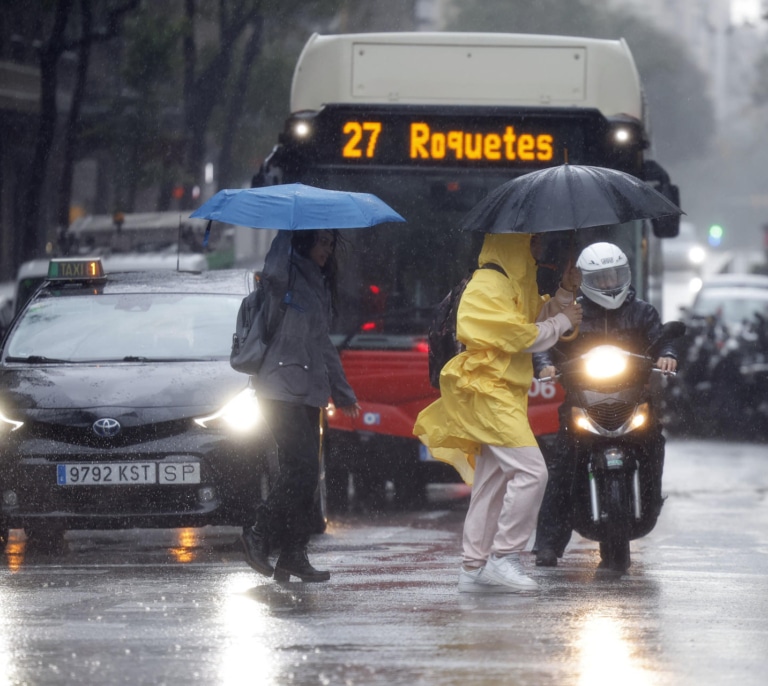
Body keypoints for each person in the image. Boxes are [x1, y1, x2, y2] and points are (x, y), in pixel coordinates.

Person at [414, 232, 583, 594]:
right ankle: (504, 556)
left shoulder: (513, 281)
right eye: (533, 241)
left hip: (502, 391)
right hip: (487, 392)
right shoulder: (486, 285)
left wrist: (565, 294)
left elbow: (537, 317)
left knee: (492, 483)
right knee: (532, 472)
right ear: (515, 243)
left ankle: (474, 567)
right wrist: (561, 321)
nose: (540, 248)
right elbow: (520, 336)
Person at [533, 241, 678, 568]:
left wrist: (667, 354)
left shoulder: (643, 311)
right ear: (586, 279)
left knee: (654, 443)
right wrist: (544, 363)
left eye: (615, 275)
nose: (609, 282)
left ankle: (650, 501)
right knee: (563, 465)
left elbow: (662, 338)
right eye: (601, 277)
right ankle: (548, 544)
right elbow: (547, 339)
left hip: (633, 398)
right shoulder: (573, 311)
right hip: (582, 398)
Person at [241, 229, 361, 582]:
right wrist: (287, 231)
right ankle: (258, 533)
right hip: (278, 388)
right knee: (302, 467)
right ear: (304, 241)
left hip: (310, 392)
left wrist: (343, 392)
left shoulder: (319, 285)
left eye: (331, 244)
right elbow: (276, 264)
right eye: (322, 242)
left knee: (306, 474)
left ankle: (293, 553)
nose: (327, 250)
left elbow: (323, 345)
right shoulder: (284, 274)